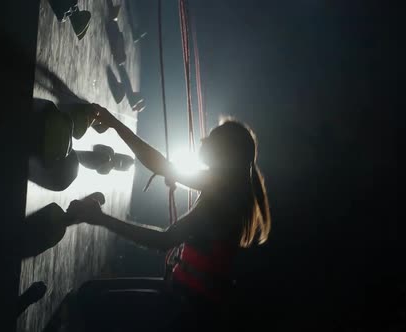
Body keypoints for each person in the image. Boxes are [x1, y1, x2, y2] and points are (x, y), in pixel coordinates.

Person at [45, 104, 271, 332]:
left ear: (224, 153)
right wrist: (114, 123)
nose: (203, 141)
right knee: (90, 294)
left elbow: (163, 241)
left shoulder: (220, 199)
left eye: (211, 138)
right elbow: (162, 165)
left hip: (188, 310)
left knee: (89, 302)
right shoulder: (225, 187)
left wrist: (101, 218)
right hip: (187, 297)